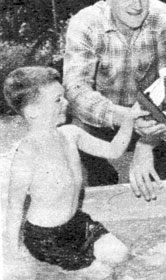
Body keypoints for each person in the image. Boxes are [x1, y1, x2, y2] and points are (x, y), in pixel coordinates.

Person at [63, 0, 166, 195]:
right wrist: (127, 119)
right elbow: (76, 91)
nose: (136, 6)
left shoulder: (164, 17)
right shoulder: (86, 23)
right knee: (86, 187)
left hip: (153, 120)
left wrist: (149, 141)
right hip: (101, 121)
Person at [3, 66, 147, 279]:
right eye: (57, 100)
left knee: (122, 255)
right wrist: (12, 257)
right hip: (46, 239)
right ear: (33, 111)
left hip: (76, 224)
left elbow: (114, 151)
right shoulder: (27, 153)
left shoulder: (71, 134)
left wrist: (128, 121)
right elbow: (15, 208)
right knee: (105, 274)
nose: (67, 103)